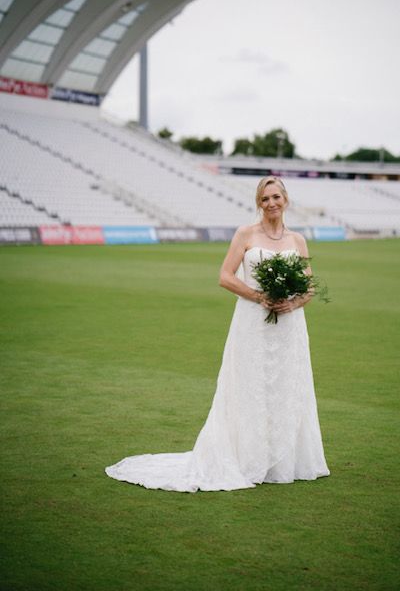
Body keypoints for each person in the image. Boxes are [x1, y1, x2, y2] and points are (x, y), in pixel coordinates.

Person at [105, 176, 330, 492]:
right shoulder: (246, 234)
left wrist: (291, 303)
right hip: (252, 321)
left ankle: (282, 462)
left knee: (285, 387)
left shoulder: (297, 240)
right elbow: (225, 276)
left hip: (289, 327)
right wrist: (259, 296)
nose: (271, 204)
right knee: (249, 387)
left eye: (276, 197)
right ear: (258, 203)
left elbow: (309, 287)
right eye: (265, 199)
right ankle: (246, 458)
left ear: (286, 200)